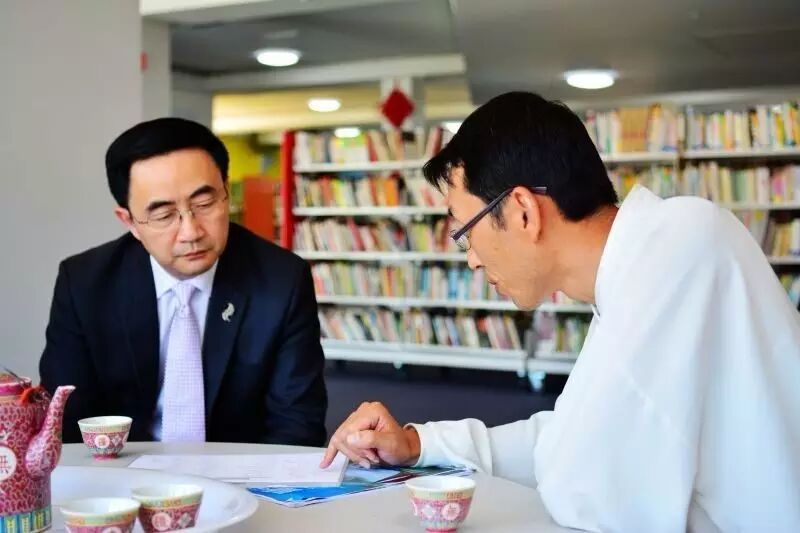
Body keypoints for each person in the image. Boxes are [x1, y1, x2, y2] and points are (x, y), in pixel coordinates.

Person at [321, 92, 800, 532]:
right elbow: (570, 436)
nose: (472, 259)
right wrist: (417, 445)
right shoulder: (642, 258)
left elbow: (590, 490)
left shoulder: (677, 247)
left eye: (465, 231)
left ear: (523, 211)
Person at [40, 118, 327, 446]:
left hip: (241, 471)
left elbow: (297, 426)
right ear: (129, 221)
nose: (191, 232)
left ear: (225, 192)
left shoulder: (281, 280)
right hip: (120, 470)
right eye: (164, 215)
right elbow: (65, 421)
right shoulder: (85, 284)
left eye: (204, 204)